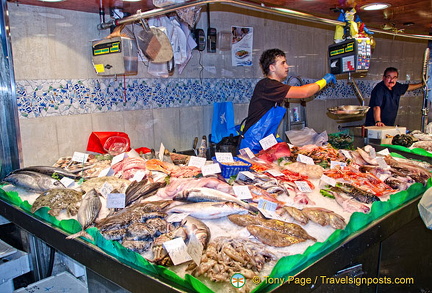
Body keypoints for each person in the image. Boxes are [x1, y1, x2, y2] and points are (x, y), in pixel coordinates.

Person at [239, 48, 336, 152]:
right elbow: (304, 92)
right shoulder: (267, 85)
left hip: (264, 141)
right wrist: (324, 81)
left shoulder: (274, 86)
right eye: (283, 63)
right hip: (252, 144)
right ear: (272, 67)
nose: (287, 66)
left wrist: (276, 139)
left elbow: (265, 118)